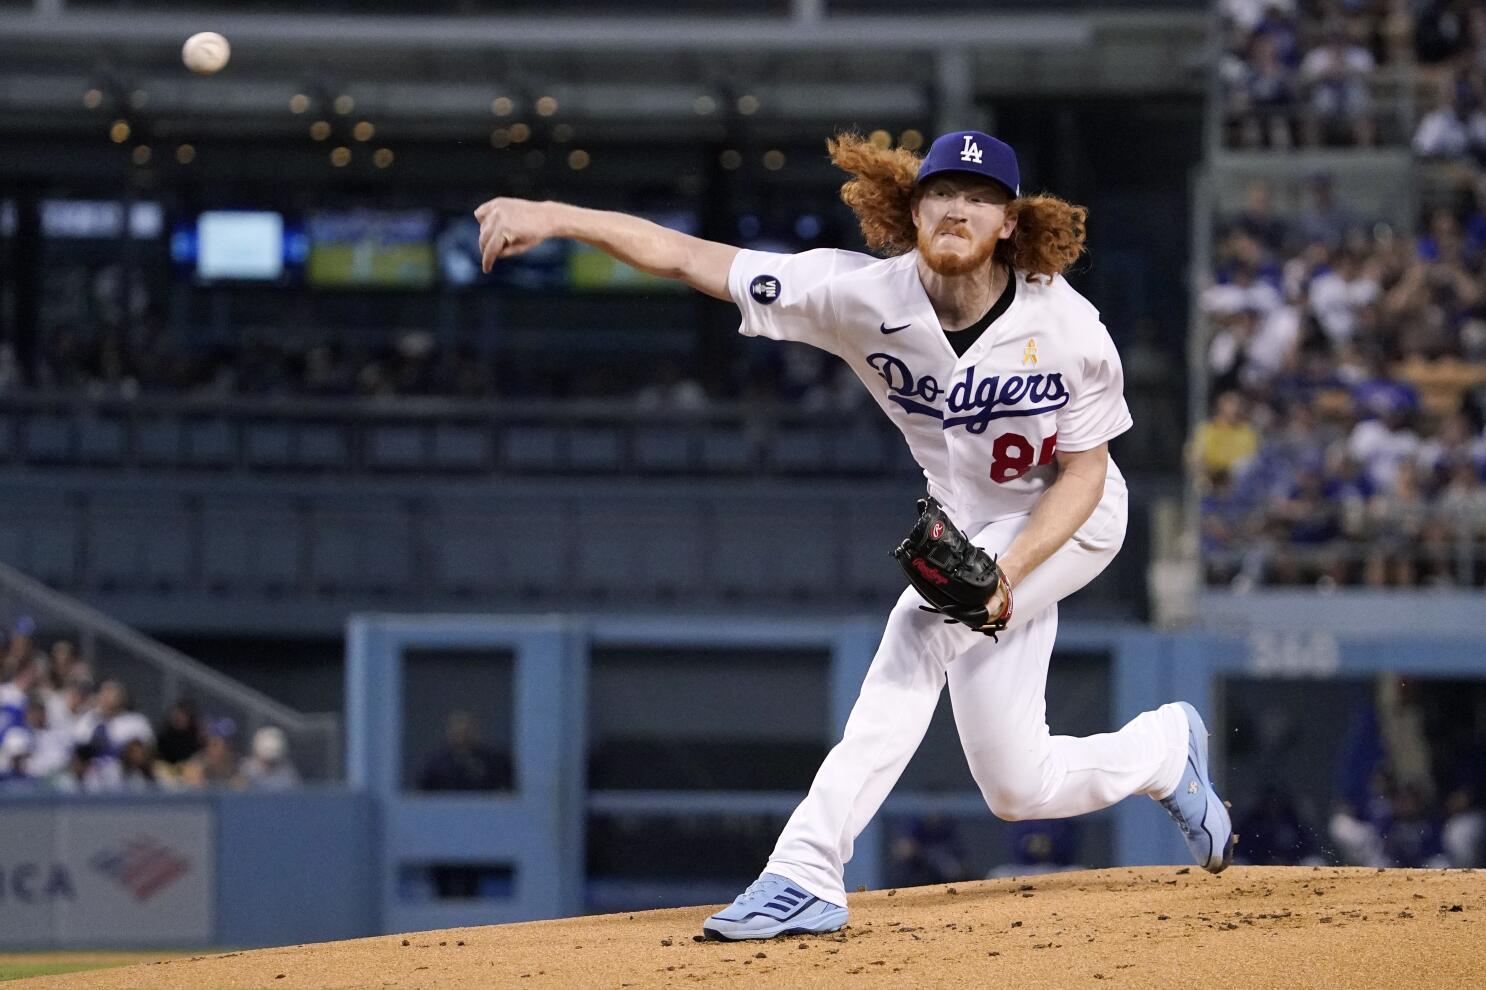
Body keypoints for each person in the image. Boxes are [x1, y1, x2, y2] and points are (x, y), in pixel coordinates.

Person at [474, 128, 1234, 942]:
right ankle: (1161, 752)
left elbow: (1085, 474)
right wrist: (553, 213)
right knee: (1018, 785)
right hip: (973, 533)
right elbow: (688, 257)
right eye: (942, 192)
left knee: (919, 628)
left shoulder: (1070, 324)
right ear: (913, 209)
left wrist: (1004, 573)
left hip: (1072, 523)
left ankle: (806, 869)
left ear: (1010, 222)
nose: (958, 210)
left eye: (980, 200)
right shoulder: (858, 295)